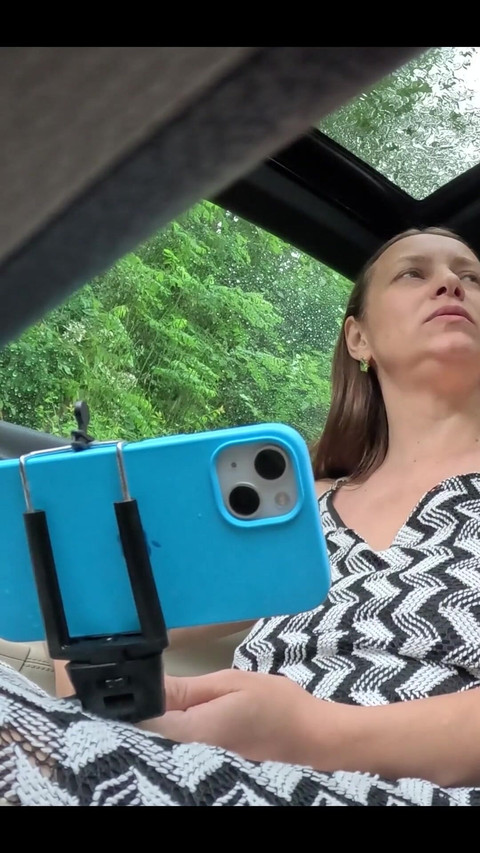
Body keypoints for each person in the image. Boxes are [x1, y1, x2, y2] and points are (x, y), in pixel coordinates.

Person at [3, 225, 480, 806]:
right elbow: (96, 628)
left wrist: (316, 737)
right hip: (213, 776)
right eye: (414, 273)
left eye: (472, 277)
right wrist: (126, 712)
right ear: (359, 338)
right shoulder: (301, 507)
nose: (450, 283)